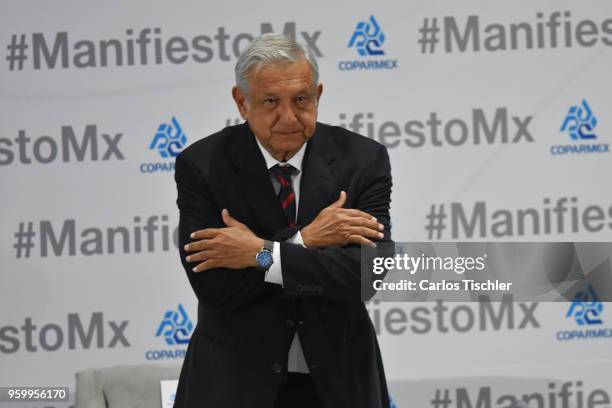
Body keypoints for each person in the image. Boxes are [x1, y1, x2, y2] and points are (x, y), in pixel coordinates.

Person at [173, 33, 393, 408]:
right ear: (241, 102)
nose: (289, 117)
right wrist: (305, 241)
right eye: (271, 102)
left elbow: (368, 274)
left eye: (302, 100)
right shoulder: (202, 166)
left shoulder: (363, 160)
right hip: (234, 383)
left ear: (319, 95)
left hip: (338, 383)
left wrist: (259, 253)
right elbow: (217, 288)